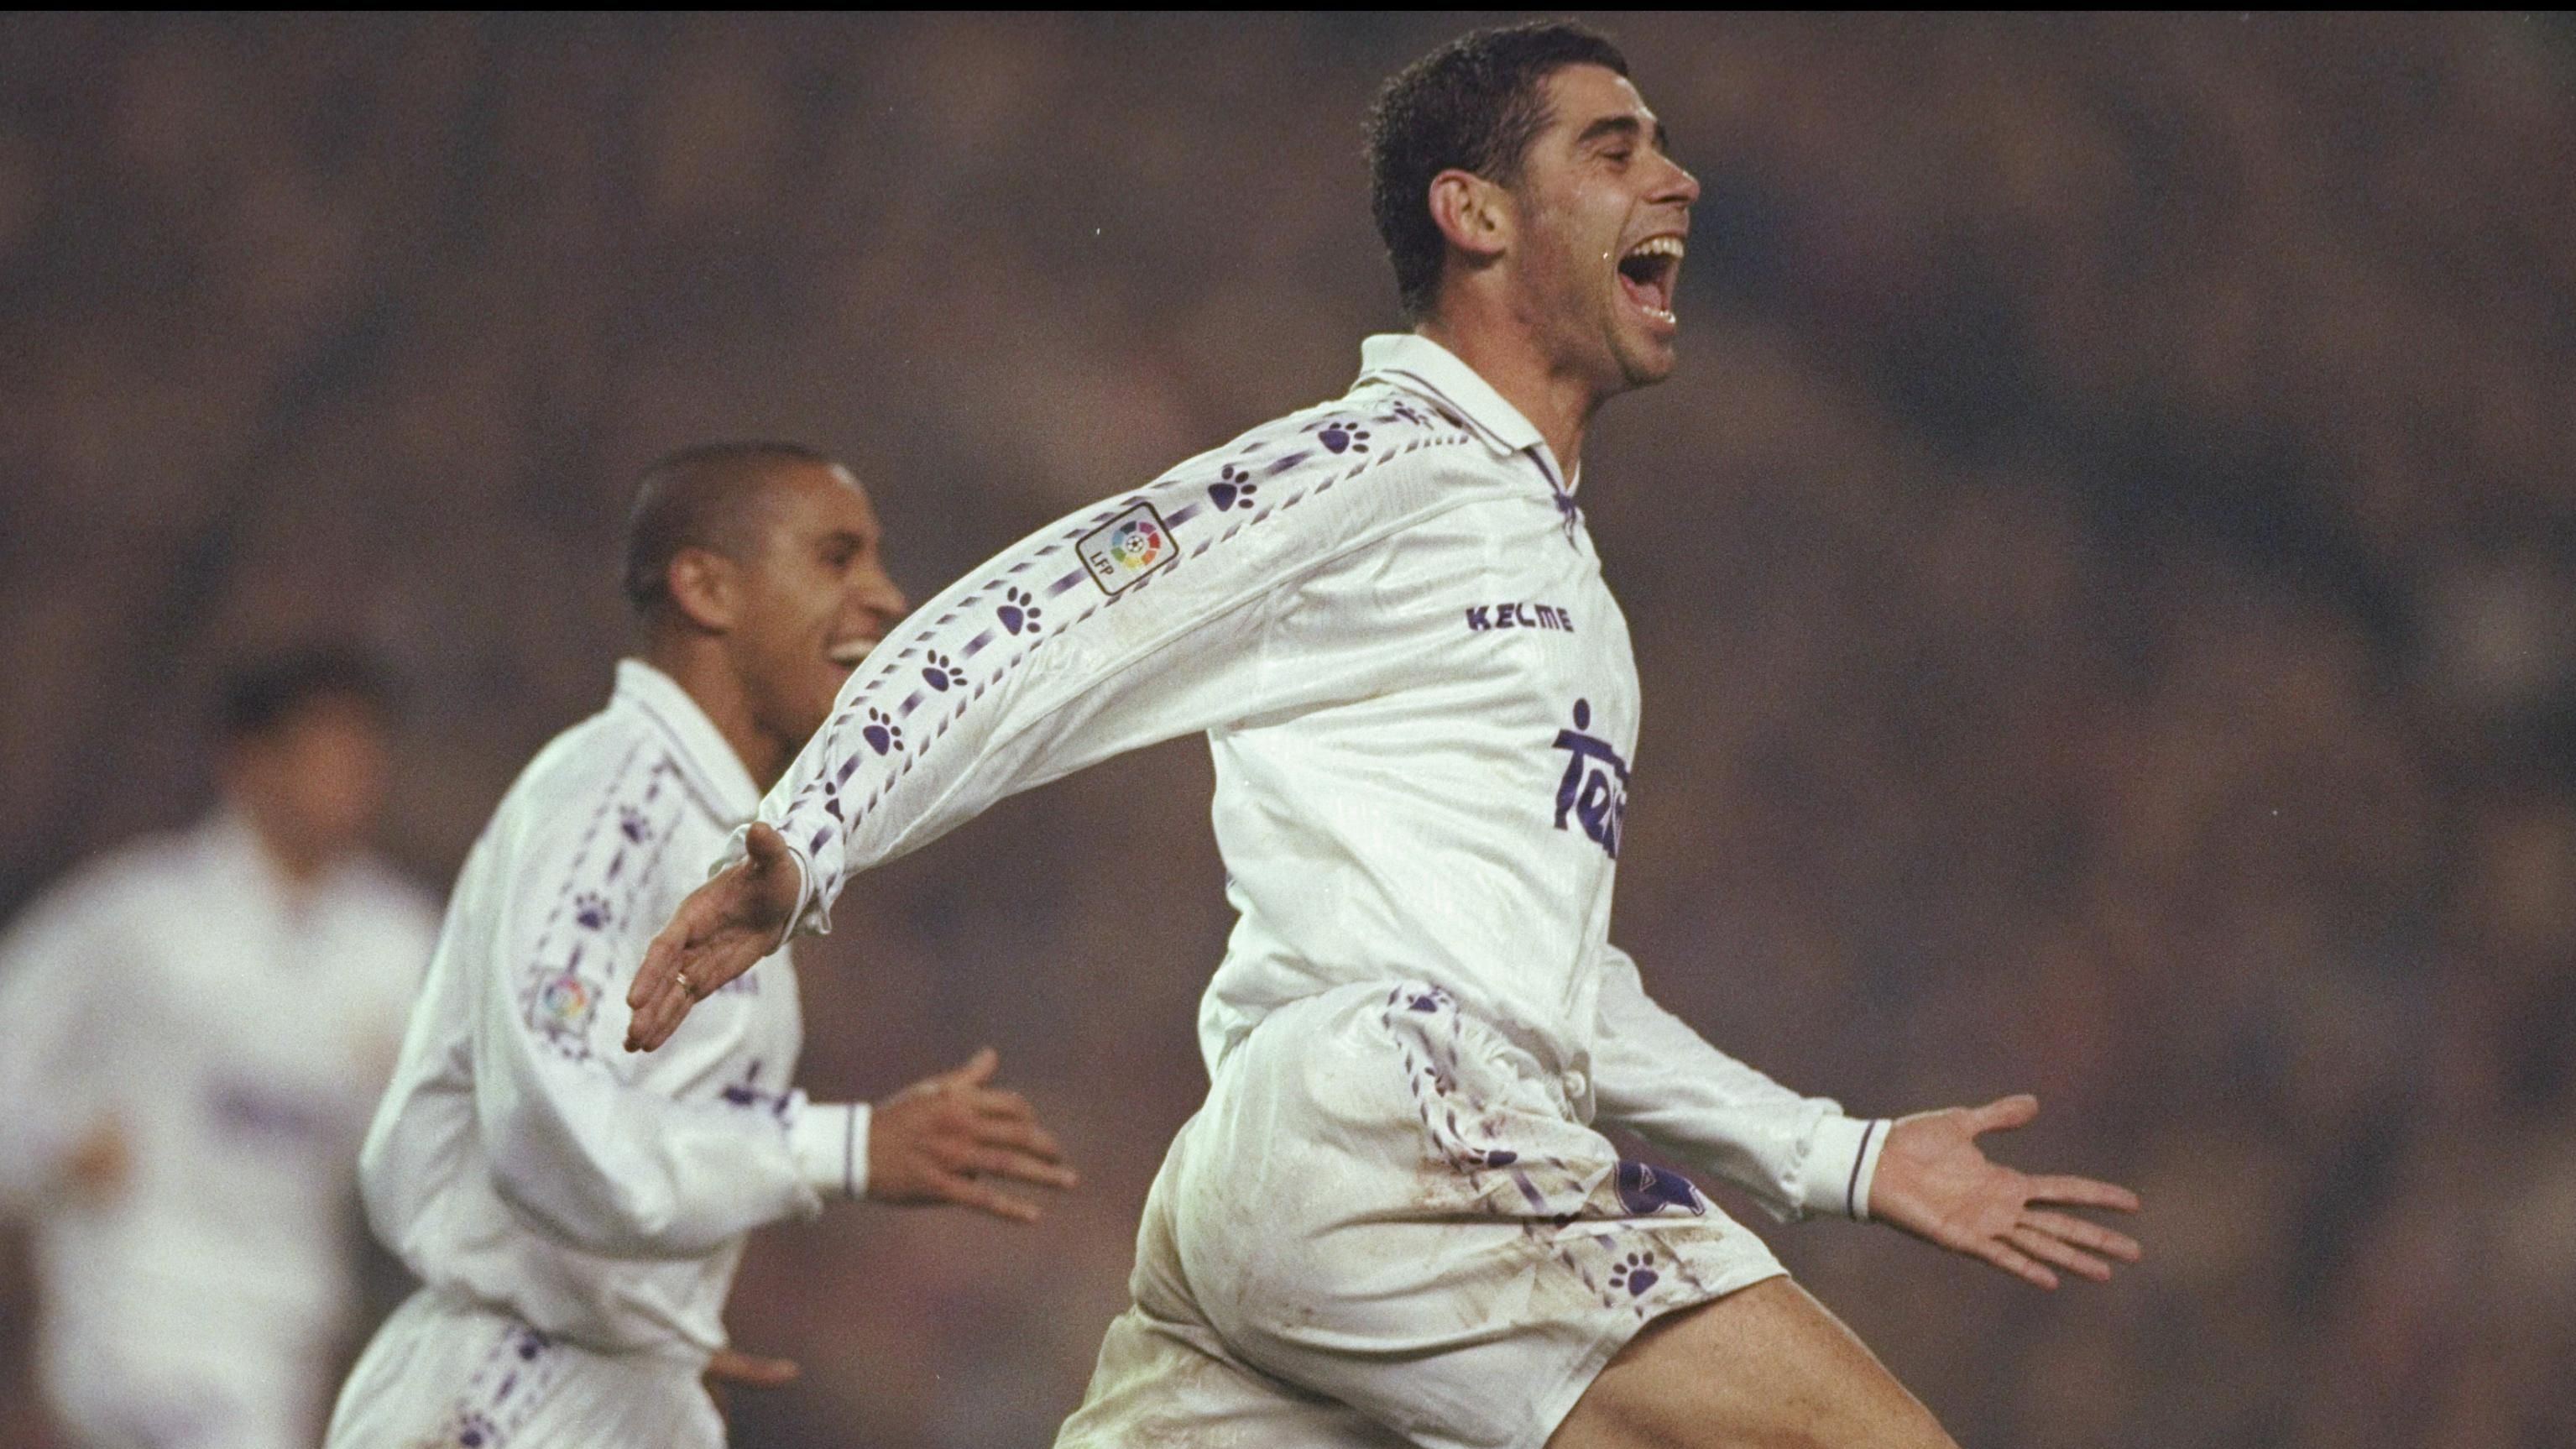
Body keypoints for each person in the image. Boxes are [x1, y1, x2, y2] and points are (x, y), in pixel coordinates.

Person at [626, 26, 2141, 1449]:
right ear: (1472, 213)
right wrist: (814, 829)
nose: (1673, 179)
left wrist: (1839, 1156)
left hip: (1288, 1192)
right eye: (1611, 150)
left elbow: (1544, 995)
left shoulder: (1560, 592)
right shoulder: (1380, 462)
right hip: (1387, 1122)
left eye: (1663, 149)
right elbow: (1067, 599)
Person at [324, 443, 1079, 1449]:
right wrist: (846, 1146)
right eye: (836, 557)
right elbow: (550, 1127)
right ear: (707, 586)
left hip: (598, 1380)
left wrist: (646, 1334)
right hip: (506, 1397)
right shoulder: (610, 802)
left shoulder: (715, 828)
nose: (885, 597)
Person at [0, 649, 438, 1449]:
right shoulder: (135, 920)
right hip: (127, 1314)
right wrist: (52, 1144)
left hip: (279, 1331)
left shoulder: (401, 948)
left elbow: (446, 1147)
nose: (351, 784)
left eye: (364, 761)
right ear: (250, 762)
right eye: (327, 758)